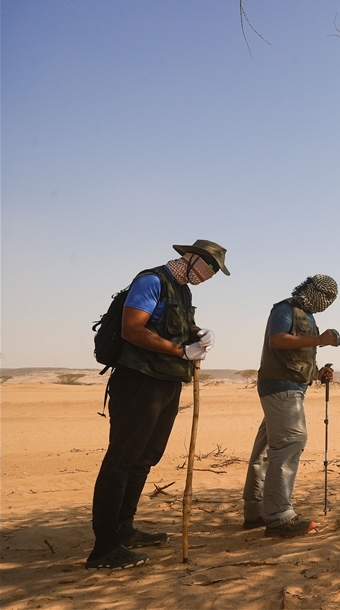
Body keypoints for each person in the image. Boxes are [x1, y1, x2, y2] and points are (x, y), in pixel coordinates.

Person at [87, 240, 229, 570]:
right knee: (122, 459)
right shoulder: (152, 281)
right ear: (192, 259)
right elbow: (133, 329)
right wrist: (181, 351)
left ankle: (125, 530)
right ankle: (104, 547)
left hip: (166, 382)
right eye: (210, 269)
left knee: (145, 458)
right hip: (139, 381)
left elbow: (175, 326)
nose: (210, 276)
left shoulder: (183, 292)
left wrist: (197, 333)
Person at [242, 275, 340, 538]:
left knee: (266, 450)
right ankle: (278, 517)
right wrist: (321, 340)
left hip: (292, 386)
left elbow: (297, 354)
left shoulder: (309, 317)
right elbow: (278, 340)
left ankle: (256, 511)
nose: (327, 304)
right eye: (326, 297)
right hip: (280, 387)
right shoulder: (285, 309)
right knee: (290, 442)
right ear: (313, 291)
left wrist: (318, 374)